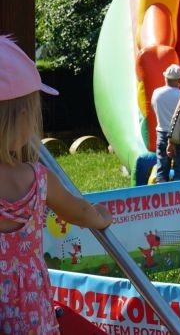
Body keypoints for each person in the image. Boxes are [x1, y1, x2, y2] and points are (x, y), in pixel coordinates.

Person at [0, 37, 113, 332]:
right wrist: (101, 216)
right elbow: (81, 212)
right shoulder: (38, 179)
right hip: (31, 315)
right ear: (23, 117)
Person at [151, 64, 180, 182]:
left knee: (162, 170)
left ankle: (161, 190)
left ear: (165, 78)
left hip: (161, 132)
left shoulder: (156, 93)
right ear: (179, 79)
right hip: (179, 134)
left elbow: (153, 108)